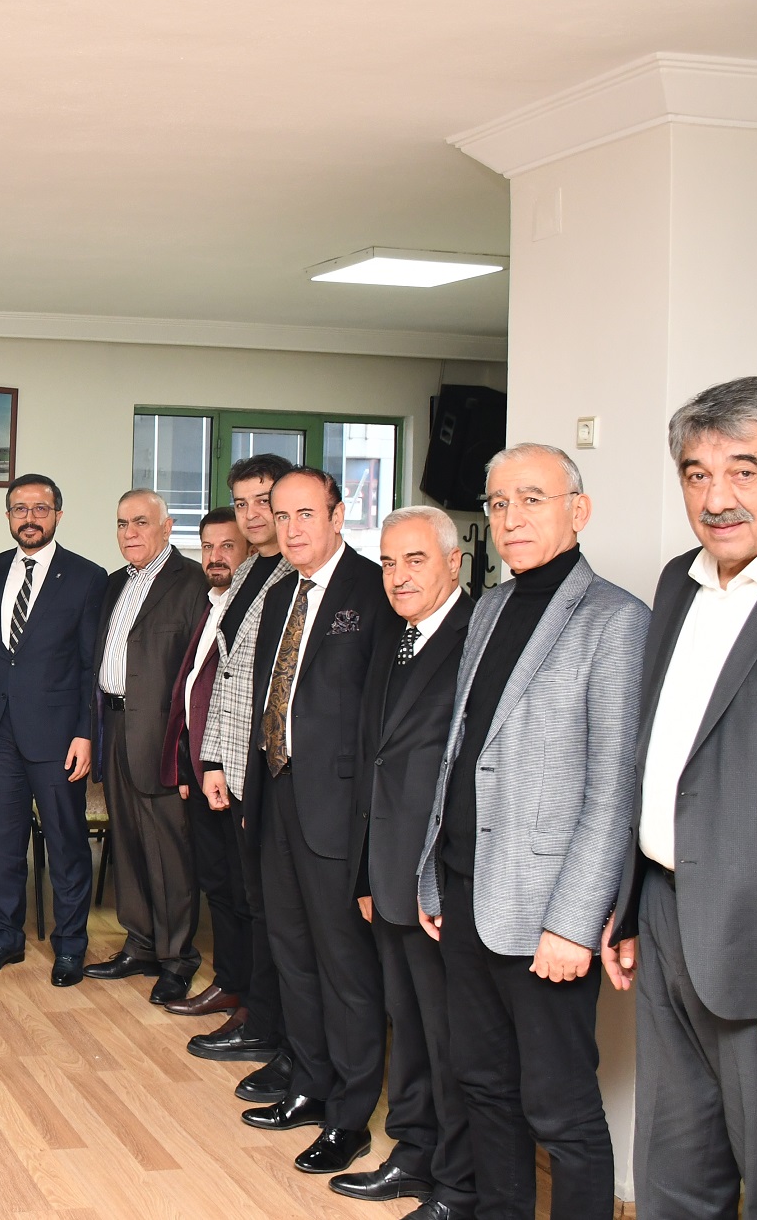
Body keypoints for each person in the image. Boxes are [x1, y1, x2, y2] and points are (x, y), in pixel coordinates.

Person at [606, 378, 757, 1220]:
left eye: (744, 470)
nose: (716, 498)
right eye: (697, 473)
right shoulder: (679, 580)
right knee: (673, 1175)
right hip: (669, 917)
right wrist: (631, 903)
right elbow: (660, 754)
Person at [417, 443, 647, 1220]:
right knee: (483, 1085)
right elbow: (462, 752)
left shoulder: (616, 621)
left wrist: (575, 922)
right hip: (466, 892)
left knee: (560, 1107)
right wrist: (432, 874)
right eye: (498, 503)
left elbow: (613, 790)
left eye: (531, 499)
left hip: (546, 911)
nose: (511, 517)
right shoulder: (489, 607)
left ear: (578, 510)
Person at [237, 466, 397, 1176]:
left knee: (344, 968)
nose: (292, 527)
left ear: (337, 515)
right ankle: (308, 1082)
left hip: (337, 812)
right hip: (276, 797)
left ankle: (350, 1116)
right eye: (282, 515)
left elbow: (379, 717)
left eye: (306, 513)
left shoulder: (374, 589)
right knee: (292, 954)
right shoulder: (280, 594)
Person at [331, 506, 475, 1219]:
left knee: (450, 1039)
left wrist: (439, 881)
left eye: (415, 560)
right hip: (386, 871)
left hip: (436, 879)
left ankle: (457, 1180)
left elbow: (473, 774)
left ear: (454, 562)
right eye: (388, 562)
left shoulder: (476, 636)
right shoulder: (396, 635)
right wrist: (364, 871)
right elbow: (373, 759)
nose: (398, 576)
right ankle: (413, 1153)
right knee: (408, 1025)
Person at [187, 455, 297, 1105]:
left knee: (270, 910)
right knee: (248, 899)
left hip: (270, 776)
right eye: (243, 502)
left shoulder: (295, 573)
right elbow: (225, 679)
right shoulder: (253, 569)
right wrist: (213, 762)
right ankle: (256, 1013)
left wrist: (246, 772)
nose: (253, 514)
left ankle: (266, 1024)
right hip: (234, 768)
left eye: (265, 501)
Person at [0, 474, 106, 986]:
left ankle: (70, 946)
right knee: (2, 843)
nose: (29, 518)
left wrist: (85, 732)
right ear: (8, 516)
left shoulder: (87, 577)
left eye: (40, 509)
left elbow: (91, 664)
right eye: (20, 509)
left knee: (67, 843)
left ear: (58, 515)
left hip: (58, 736)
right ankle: (4, 938)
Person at [83, 488, 210, 1001]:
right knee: (129, 845)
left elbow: (200, 673)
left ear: (167, 526)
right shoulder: (115, 583)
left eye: (140, 522)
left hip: (163, 738)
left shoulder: (193, 582)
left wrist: (188, 753)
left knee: (169, 852)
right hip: (114, 728)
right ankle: (140, 944)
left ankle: (177, 958)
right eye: (122, 523)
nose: (129, 532)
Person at [158, 506, 251, 1019]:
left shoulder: (250, 608)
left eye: (227, 546)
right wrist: (184, 762)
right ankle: (230, 983)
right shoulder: (210, 603)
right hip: (201, 768)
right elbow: (190, 690)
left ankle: (248, 994)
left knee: (241, 888)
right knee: (215, 881)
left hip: (235, 771)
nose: (215, 557)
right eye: (208, 547)